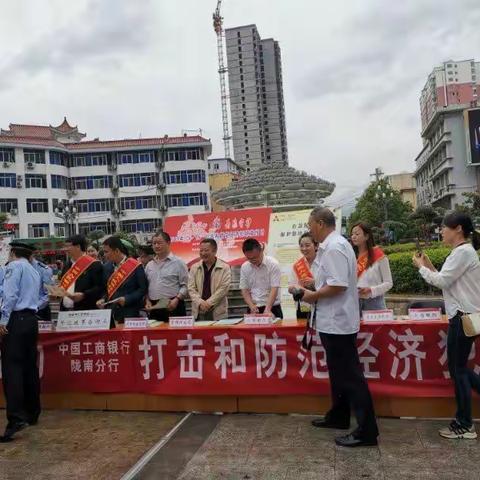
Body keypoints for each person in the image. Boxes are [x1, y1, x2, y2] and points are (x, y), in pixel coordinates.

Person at [301, 207, 378, 447]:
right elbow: (332, 281)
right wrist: (314, 285)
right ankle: (339, 415)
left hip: (337, 322)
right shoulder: (335, 246)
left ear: (321, 223)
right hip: (334, 320)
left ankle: (367, 431)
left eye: (310, 224)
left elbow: (338, 286)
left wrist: (310, 295)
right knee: (338, 374)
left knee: (351, 376)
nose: (309, 229)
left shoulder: (334, 247)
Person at [413, 211, 480, 439]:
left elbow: (442, 281)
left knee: (458, 370)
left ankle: (464, 424)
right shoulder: (461, 252)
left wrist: (420, 268)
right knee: (459, 368)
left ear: (458, 229)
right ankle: (464, 421)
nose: (441, 231)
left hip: (462, 318)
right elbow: (446, 281)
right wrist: (429, 265)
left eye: (444, 227)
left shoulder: (463, 252)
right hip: (462, 316)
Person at [0, 242, 41, 442]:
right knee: (29, 368)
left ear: (13, 252)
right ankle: (32, 412)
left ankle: (16, 417)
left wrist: (3, 320)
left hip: (16, 320)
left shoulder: (13, 267)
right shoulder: (34, 270)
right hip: (32, 319)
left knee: (12, 369)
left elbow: (10, 295)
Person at [97, 236, 147, 324]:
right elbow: (106, 289)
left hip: (130, 313)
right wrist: (103, 299)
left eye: (106, 252)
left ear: (116, 251)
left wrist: (127, 299)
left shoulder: (135, 266)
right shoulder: (106, 267)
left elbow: (142, 289)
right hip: (112, 314)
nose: (104, 255)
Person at [144, 231, 188, 322]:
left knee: (175, 335)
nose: (156, 246)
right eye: (154, 243)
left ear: (168, 243)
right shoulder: (149, 265)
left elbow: (186, 285)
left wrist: (177, 299)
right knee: (156, 335)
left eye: (159, 243)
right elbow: (146, 286)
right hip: (154, 307)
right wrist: (147, 300)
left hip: (173, 305)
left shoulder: (178, 262)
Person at [350, 222, 393, 313]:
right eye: (352, 234)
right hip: (354, 303)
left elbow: (389, 283)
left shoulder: (379, 256)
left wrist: (371, 290)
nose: (353, 236)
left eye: (357, 234)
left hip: (375, 304)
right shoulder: (351, 256)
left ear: (366, 236)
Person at [188, 238, 231, 321]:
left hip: (218, 312)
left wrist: (208, 303)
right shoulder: (194, 268)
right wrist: (200, 303)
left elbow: (224, 288)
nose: (203, 253)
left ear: (214, 251)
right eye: (201, 250)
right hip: (198, 311)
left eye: (206, 250)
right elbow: (191, 289)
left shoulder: (224, 267)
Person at [240, 238, 283, 319]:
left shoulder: (273, 264)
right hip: (254, 308)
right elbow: (244, 289)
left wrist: (267, 309)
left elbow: (274, 288)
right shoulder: (245, 267)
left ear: (261, 250)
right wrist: (251, 306)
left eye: (255, 257)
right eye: (249, 259)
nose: (253, 260)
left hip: (272, 307)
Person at [59, 235, 104, 311]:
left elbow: (100, 287)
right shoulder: (67, 265)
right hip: (65, 312)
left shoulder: (94, 264)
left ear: (78, 247)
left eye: (68, 246)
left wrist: (84, 295)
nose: (65, 249)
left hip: (85, 311)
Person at [288, 232, 318, 319]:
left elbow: (330, 284)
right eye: (301, 246)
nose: (304, 248)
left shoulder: (323, 263)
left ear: (316, 246)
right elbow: (291, 287)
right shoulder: (297, 265)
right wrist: (297, 288)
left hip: (321, 305)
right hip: (303, 307)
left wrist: (314, 282)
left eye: (307, 245)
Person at [30, 247, 54, 321]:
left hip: (40, 310)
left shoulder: (43, 269)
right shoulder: (17, 269)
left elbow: (50, 292)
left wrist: (36, 306)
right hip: (20, 312)